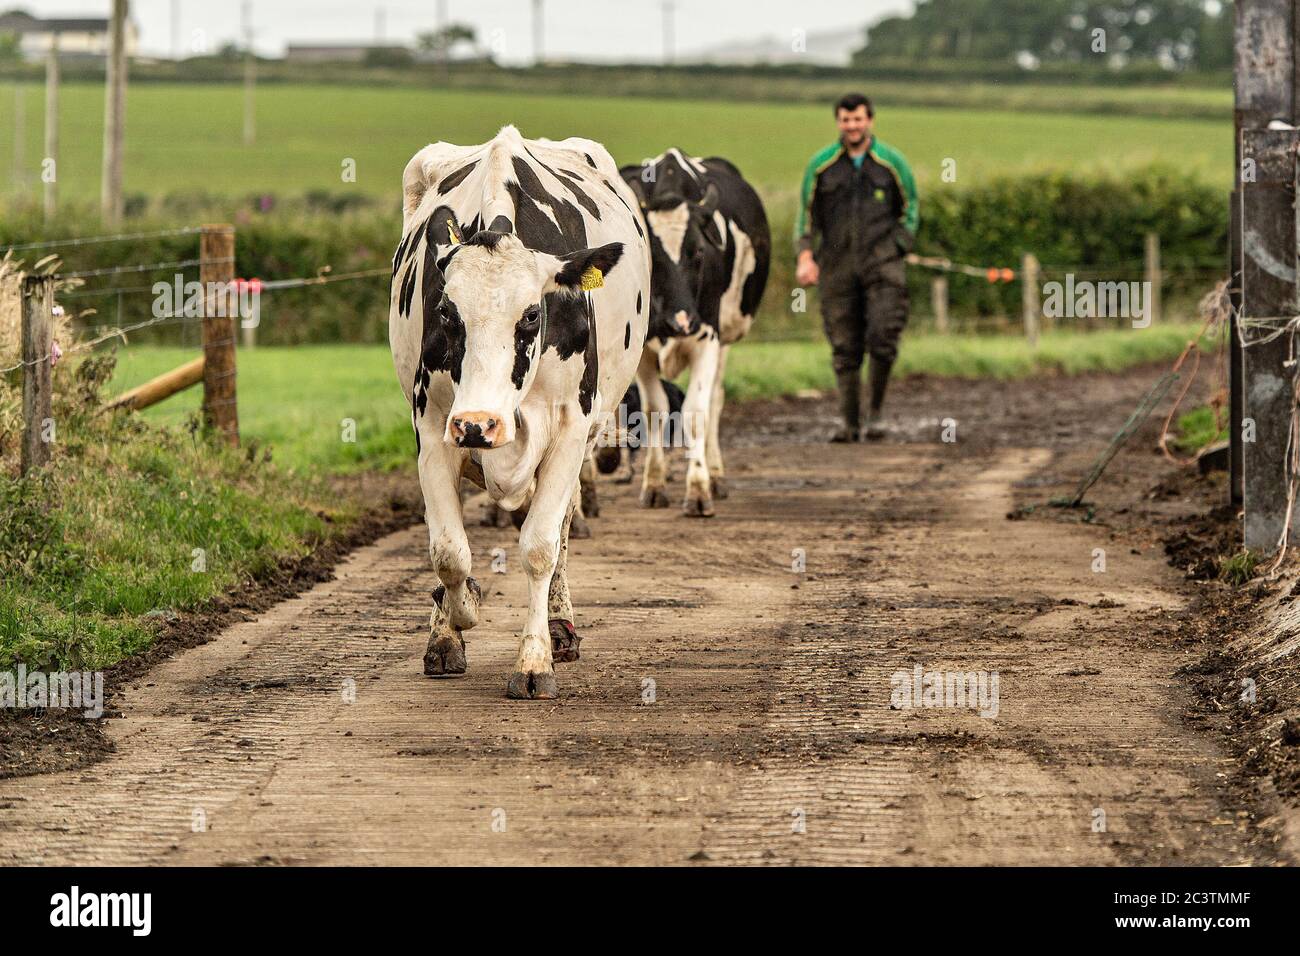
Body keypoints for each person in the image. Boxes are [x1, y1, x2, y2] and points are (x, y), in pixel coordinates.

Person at [795, 93, 918, 442]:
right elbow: (805, 216)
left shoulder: (892, 163)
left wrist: (899, 245)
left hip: (883, 266)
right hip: (836, 267)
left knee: (883, 337)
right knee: (844, 346)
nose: (852, 126)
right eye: (846, 120)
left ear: (870, 121)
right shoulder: (821, 166)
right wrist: (805, 256)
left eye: (858, 119)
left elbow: (911, 207)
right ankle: (849, 424)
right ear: (838, 122)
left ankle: (875, 415)